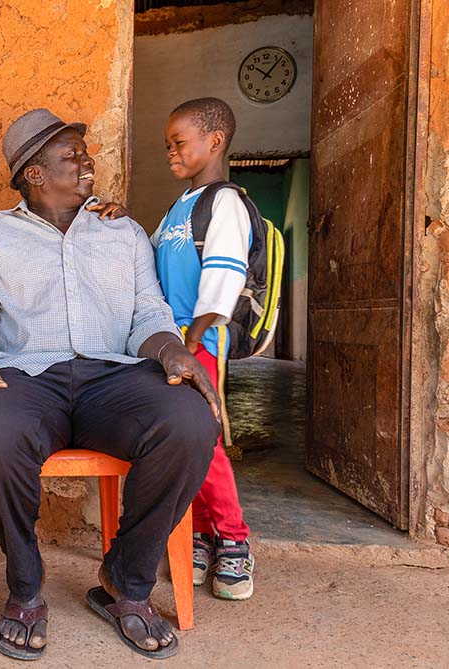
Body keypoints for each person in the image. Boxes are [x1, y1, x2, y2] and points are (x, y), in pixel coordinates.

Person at [0, 108, 221, 661]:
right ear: (35, 173)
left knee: (189, 422)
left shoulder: (123, 232)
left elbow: (148, 313)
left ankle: (126, 581)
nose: (87, 160)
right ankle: (24, 585)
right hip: (27, 376)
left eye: (83, 152)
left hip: (112, 376)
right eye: (70, 155)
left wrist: (171, 350)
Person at [151, 97, 254, 600]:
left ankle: (233, 540)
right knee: (178, 440)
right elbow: (146, 263)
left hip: (200, 344)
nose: (170, 152)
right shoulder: (178, 208)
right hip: (168, 345)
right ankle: (194, 534)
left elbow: (223, 281)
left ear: (213, 141)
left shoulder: (225, 203)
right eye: (167, 145)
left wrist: (191, 342)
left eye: (179, 143)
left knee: (205, 443)